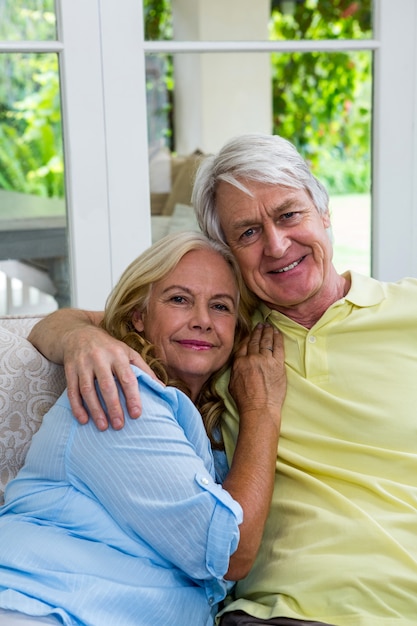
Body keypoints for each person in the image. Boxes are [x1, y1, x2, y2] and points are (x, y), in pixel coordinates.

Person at [28, 133, 417, 626]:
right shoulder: (222, 340)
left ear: (325, 213)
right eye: (248, 232)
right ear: (232, 253)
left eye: (289, 214)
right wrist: (82, 341)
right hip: (282, 614)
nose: (277, 244)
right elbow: (92, 319)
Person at [0, 230, 286, 626]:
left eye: (220, 306)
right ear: (139, 315)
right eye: (179, 300)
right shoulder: (121, 391)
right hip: (41, 607)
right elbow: (228, 553)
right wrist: (263, 409)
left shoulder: (204, 415)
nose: (202, 321)